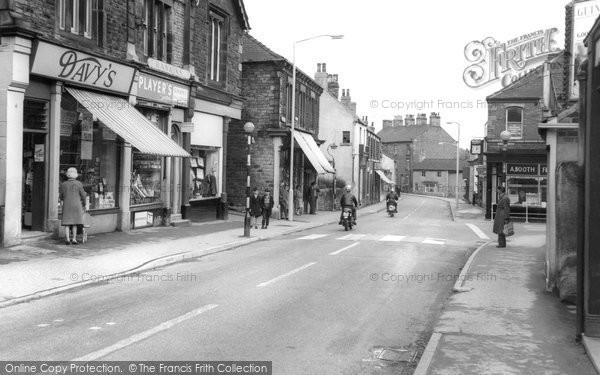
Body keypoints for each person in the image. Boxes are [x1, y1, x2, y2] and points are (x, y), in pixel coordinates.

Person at [60, 167, 87, 245]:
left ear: (67, 174)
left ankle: (67, 239)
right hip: (77, 205)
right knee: (75, 223)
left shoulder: (63, 184)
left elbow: (61, 196)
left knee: (67, 223)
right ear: (76, 175)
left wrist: (62, 199)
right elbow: (83, 195)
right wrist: (84, 204)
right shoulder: (79, 184)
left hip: (67, 205)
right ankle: (74, 239)